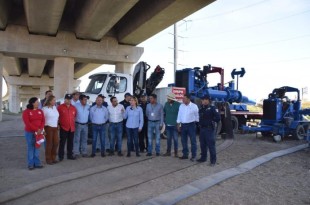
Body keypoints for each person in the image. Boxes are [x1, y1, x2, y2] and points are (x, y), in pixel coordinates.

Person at [22, 97, 45, 170]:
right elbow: (27, 123)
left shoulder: (40, 111)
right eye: (37, 102)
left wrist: (40, 129)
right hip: (30, 132)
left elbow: (43, 121)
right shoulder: (26, 112)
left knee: (37, 147)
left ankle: (37, 163)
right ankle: (30, 164)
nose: (38, 103)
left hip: (39, 132)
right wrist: (36, 129)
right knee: (31, 147)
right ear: (32, 103)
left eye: (38, 102)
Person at [197, 95, 220, 166]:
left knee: (211, 145)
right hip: (202, 129)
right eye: (202, 100)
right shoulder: (201, 109)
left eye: (204, 100)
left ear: (208, 100)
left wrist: (211, 121)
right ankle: (203, 158)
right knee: (202, 145)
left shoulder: (212, 108)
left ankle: (213, 161)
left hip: (209, 129)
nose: (203, 101)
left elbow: (218, 118)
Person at [177, 94, 199, 161]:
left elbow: (197, 116)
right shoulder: (181, 106)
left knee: (193, 141)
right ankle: (185, 155)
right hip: (183, 125)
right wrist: (178, 124)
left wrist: (195, 123)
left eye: (184, 98)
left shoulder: (194, 106)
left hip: (191, 125)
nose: (183, 100)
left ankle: (193, 156)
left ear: (189, 99)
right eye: (183, 98)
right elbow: (179, 115)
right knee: (183, 141)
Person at [57, 94, 77, 161]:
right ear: (64, 99)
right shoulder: (59, 107)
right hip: (63, 127)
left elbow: (75, 116)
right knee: (62, 142)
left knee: (70, 142)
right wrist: (58, 125)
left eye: (70, 99)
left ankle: (70, 155)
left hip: (71, 128)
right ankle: (61, 156)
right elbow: (57, 117)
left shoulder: (73, 108)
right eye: (67, 99)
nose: (68, 100)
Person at [42, 95, 59, 165]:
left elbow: (57, 117)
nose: (55, 101)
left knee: (56, 143)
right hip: (48, 127)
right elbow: (42, 120)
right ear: (50, 101)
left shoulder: (55, 107)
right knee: (49, 143)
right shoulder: (44, 109)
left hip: (55, 127)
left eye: (55, 100)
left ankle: (53, 157)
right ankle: (48, 159)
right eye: (54, 100)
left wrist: (58, 124)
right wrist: (43, 130)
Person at [163, 93, 181, 157]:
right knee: (168, 139)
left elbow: (180, 115)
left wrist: (179, 125)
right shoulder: (166, 104)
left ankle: (176, 153)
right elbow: (164, 112)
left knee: (175, 139)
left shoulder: (178, 105)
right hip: (168, 125)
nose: (168, 99)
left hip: (175, 125)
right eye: (168, 98)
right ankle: (168, 152)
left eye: (169, 98)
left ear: (172, 99)